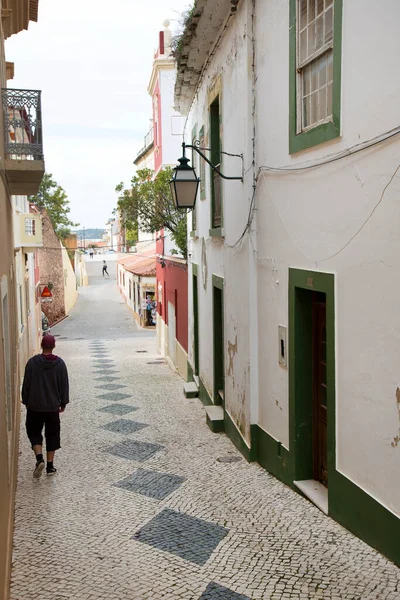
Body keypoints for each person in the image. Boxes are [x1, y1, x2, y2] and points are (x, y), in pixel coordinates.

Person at [22, 334, 69, 478]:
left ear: (42, 345)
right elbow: (64, 385)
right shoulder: (60, 364)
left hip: (35, 406)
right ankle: (49, 466)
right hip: (52, 407)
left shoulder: (32, 363)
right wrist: (63, 403)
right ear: (53, 346)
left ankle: (39, 458)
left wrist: (25, 401)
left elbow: (26, 385)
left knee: (34, 432)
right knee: (52, 434)